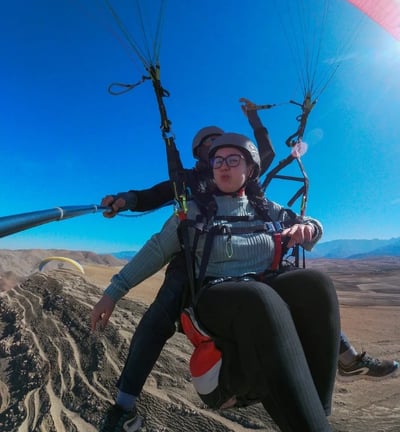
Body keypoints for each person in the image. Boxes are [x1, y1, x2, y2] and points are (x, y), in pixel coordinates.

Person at [92, 133, 340, 431]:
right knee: (258, 298)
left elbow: (313, 224)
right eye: (218, 161)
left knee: (317, 285)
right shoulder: (195, 209)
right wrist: (113, 292)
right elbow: (157, 248)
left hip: (260, 291)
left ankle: (317, 411)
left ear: (249, 169)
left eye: (232, 160)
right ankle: (124, 404)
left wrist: (308, 228)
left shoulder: (267, 208)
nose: (223, 166)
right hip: (216, 295)